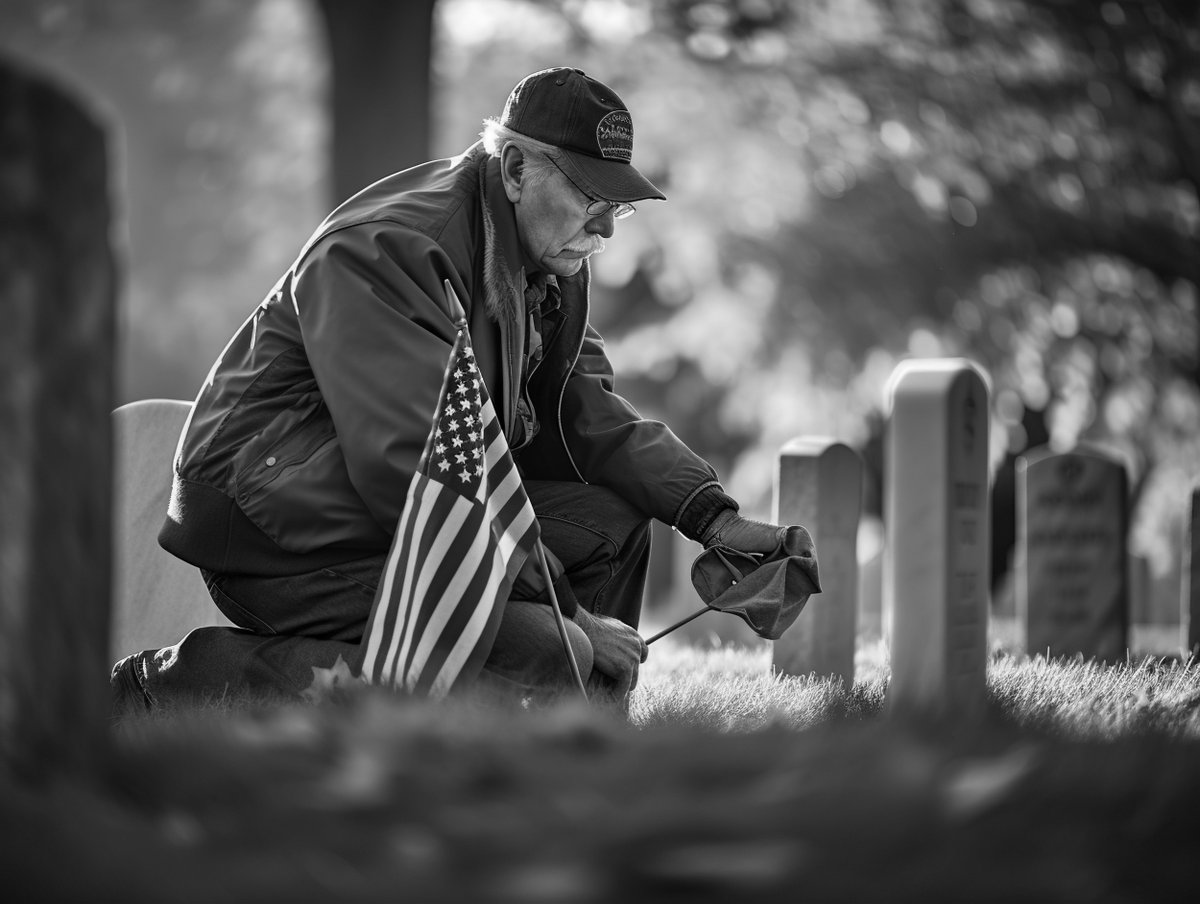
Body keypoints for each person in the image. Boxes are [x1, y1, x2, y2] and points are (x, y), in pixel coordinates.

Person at [110, 66, 819, 712]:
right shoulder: (385, 248)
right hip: (279, 532)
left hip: (372, 511)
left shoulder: (543, 255)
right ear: (514, 168)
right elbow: (412, 467)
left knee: (612, 524)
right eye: (589, 195)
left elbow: (588, 409)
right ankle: (182, 685)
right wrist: (570, 619)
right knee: (545, 647)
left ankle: (573, 747)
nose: (605, 226)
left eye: (619, 205)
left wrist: (711, 517)